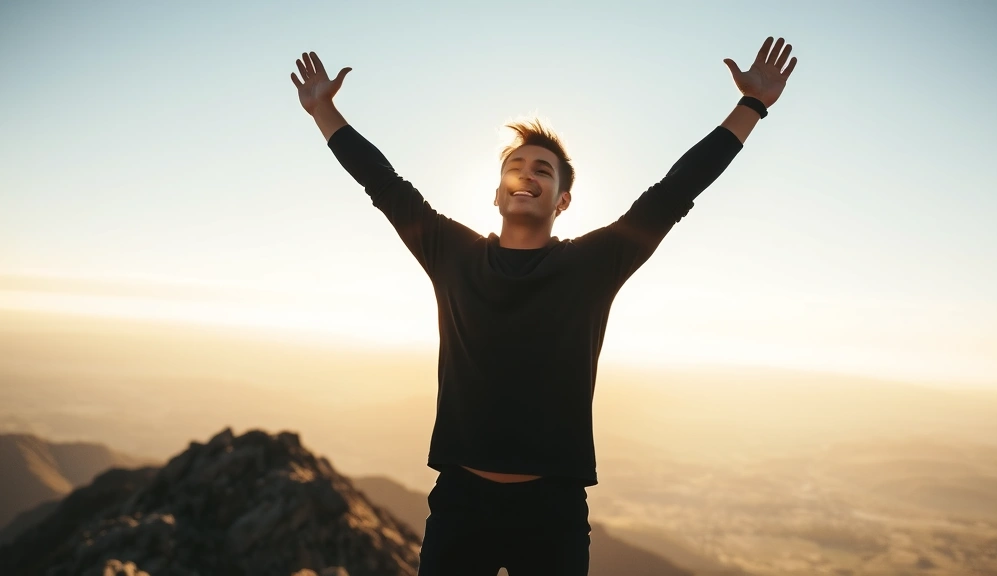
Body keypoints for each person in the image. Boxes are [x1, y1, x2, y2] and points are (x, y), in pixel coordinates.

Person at [291, 35, 796, 576]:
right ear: (497, 193)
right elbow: (383, 184)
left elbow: (675, 191)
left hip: (552, 510)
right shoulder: (452, 254)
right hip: (460, 504)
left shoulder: (593, 265)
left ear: (562, 200)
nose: (527, 173)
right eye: (517, 165)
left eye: (543, 169)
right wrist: (324, 111)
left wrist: (752, 106)